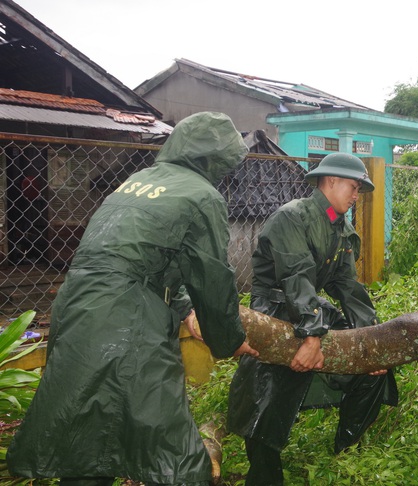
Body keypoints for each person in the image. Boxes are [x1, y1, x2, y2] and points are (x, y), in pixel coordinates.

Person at [7, 112, 260, 485]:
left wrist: (184, 308)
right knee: (172, 447)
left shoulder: (137, 181)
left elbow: (147, 258)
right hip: (127, 317)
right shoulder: (202, 195)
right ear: (215, 158)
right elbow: (211, 278)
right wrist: (230, 340)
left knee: (84, 427)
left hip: (76, 307)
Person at [227, 152, 398, 485]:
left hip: (310, 311)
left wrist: (372, 344)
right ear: (331, 180)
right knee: (267, 395)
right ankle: (265, 476)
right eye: (353, 186)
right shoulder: (292, 217)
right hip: (273, 311)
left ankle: (344, 451)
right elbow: (296, 277)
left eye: (359, 188)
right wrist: (312, 337)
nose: (356, 194)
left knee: (376, 373)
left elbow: (350, 290)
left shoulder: (341, 229)